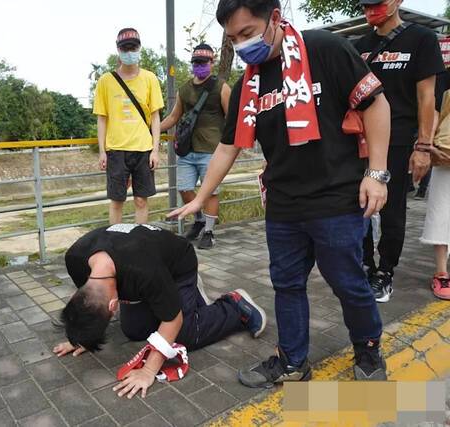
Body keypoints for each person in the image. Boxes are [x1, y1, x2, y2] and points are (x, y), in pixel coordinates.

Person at [170, 0, 392, 388]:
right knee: (287, 285)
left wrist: (376, 173)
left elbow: (376, 105)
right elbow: (227, 147)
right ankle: (292, 361)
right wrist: (202, 196)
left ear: (274, 18)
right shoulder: (249, 84)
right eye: (234, 38)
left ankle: (368, 346)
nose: (241, 45)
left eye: (247, 33)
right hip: (284, 206)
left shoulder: (325, 49)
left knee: (348, 283)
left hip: (337, 199)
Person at [53, 223, 267, 399]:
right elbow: (84, 299)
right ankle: (184, 299)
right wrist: (80, 334)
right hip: (145, 266)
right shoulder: (75, 259)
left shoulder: (143, 270)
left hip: (177, 266)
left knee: (182, 334)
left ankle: (233, 307)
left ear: (113, 306)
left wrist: (148, 371)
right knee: (135, 331)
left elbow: (172, 321)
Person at [355, 0, 445, 303]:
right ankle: (365, 263)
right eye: (365, 6)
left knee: (392, 208)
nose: (371, 11)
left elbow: (426, 97)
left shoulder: (421, 39)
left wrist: (423, 146)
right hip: (360, 140)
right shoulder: (359, 46)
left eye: (377, 4)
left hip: (399, 138)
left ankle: (385, 271)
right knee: (359, 206)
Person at [161, 44, 232, 249]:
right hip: (186, 149)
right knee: (184, 188)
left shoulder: (221, 87)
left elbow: (230, 117)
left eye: (203, 63)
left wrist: (228, 144)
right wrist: (152, 129)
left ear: (212, 62)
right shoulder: (184, 89)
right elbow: (174, 117)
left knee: (210, 192)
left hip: (211, 150)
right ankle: (199, 219)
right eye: (196, 63)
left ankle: (209, 231)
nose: (199, 66)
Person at [93, 28, 164, 225]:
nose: (129, 52)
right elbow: (102, 118)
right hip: (116, 150)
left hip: (143, 149)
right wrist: (102, 152)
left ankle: (139, 242)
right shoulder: (105, 81)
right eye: (125, 48)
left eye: (133, 47)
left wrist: (155, 151)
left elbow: (155, 116)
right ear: (118, 50)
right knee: (117, 201)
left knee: (141, 200)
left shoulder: (150, 79)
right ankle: (115, 243)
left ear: (140, 48)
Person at [420, 67, 450, 300]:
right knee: (441, 211)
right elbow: (435, 109)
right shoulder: (445, 75)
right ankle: (441, 271)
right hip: (446, 153)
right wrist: (427, 145)